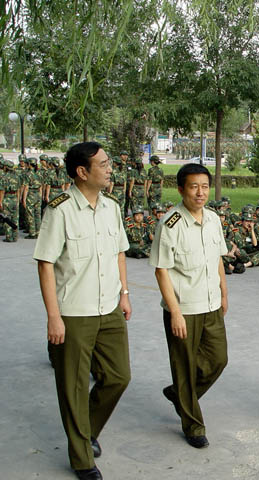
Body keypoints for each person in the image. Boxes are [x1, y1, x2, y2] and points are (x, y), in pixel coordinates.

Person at [34, 142, 131, 480]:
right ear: (82, 172)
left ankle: (85, 431)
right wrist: (54, 316)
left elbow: (119, 252)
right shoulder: (59, 210)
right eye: (102, 164)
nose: (109, 168)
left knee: (118, 376)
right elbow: (45, 264)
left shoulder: (111, 207)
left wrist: (124, 294)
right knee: (74, 388)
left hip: (109, 307)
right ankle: (82, 459)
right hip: (74, 312)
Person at [150, 163, 229, 449]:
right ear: (181, 189)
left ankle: (179, 393)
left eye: (204, 186)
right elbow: (161, 270)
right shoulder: (170, 223)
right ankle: (193, 425)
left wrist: (224, 292)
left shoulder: (213, 219)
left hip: (211, 304)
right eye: (194, 187)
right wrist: (175, 312)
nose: (200, 193)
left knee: (218, 359)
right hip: (184, 308)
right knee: (184, 367)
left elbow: (218, 258)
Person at [0, 158, 20, 242]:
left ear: (6, 167)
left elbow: (2, 191)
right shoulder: (17, 177)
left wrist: (0, 202)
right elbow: (18, 189)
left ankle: (9, 237)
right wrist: (18, 199)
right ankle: (15, 236)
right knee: (15, 218)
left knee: (7, 218)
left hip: (7, 198)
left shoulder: (4, 177)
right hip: (15, 198)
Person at [23, 157, 43, 239]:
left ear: (29, 164)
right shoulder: (39, 173)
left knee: (30, 214)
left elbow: (26, 188)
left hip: (30, 194)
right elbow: (41, 186)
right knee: (38, 214)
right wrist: (40, 196)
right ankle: (38, 232)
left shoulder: (28, 174)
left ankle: (32, 233)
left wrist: (24, 199)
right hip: (38, 194)